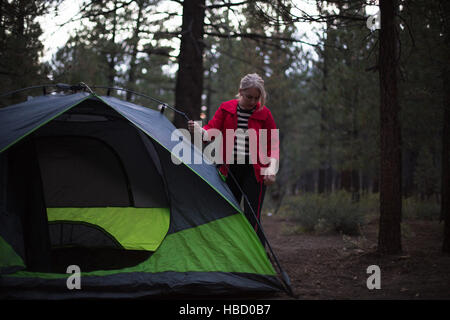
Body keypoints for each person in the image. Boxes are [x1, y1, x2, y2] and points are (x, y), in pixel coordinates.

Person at [188, 73, 279, 247]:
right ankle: (228, 252)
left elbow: (273, 145)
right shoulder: (226, 108)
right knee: (230, 212)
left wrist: (271, 170)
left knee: (252, 215)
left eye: (256, 98)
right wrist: (199, 130)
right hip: (230, 169)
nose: (253, 101)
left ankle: (258, 256)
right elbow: (211, 131)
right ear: (240, 92)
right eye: (249, 97)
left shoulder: (264, 114)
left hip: (255, 171)